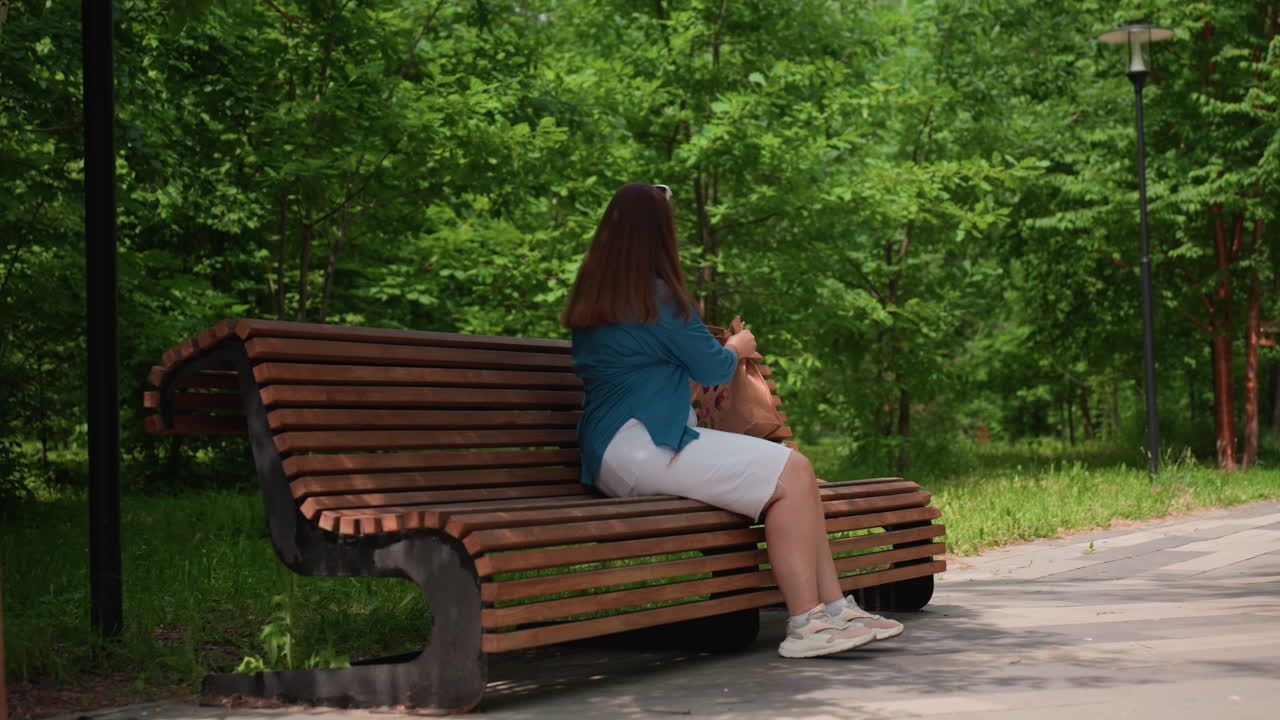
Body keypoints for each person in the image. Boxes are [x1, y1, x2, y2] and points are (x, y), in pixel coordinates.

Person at [561, 182, 904, 658]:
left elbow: (652, 377)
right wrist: (739, 347)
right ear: (659, 235)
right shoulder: (659, 299)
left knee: (795, 472)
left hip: (617, 453)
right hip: (645, 448)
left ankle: (835, 609)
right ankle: (807, 622)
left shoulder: (595, 301)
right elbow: (714, 368)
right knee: (793, 471)